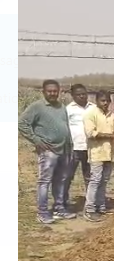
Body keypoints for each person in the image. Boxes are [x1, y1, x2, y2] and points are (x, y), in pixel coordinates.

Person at [18, 79, 77, 223]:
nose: (52, 93)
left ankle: (59, 209)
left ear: (59, 91)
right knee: (44, 181)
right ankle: (42, 212)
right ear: (43, 92)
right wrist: (36, 140)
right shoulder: (37, 107)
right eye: (49, 91)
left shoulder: (61, 107)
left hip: (64, 149)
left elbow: (66, 127)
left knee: (61, 180)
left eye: (55, 91)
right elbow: (22, 123)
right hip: (48, 151)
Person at [82, 91, 114, 222]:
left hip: (109, 153)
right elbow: (91, 133)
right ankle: (89, 209)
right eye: (102, 100)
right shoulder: (90, 114)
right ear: (97, 101)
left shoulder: (111, 115)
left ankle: (100, 206)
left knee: (104, 181)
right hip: (96, 153)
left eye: (107, 101)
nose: (105, 103)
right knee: (95, 180)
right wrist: (112, 136)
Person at [64, 84, 94, 207]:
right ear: (73, 96)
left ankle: (90, 203)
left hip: (90, 148)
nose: (82, 96)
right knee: (67, 176)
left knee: (90, 177)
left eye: (84, 93)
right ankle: (62, 202)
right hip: (73, 148)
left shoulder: (93, 108)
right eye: (78, 94)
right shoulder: (68, 109)